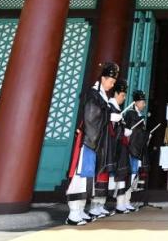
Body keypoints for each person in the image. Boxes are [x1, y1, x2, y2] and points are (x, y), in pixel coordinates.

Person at [65, 62, 119, 225]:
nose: (112, 85)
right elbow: (91, 116)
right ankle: (73, 213)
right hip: (88, 140)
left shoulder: (102, 96)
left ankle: (81, 210)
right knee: (81, 175)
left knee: (89, 176)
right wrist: (108, 116)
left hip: (96, 141)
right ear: (103, 78)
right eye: (111, 81)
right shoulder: (92, 94)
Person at [105, 78, 132, 214]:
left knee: (121, 174)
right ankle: (99, 205)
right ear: (115, 93)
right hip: (111, 147)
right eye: (122, 95)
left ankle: (120, 204)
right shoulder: (109, 107)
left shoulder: (116, 108)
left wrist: (124, 130)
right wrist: (112, 120)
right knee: (108, 175)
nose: (123, 98)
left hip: (120, 147)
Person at [123, 89, 149, 212]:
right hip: (131, 147)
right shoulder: (130, 114)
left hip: (137, 148)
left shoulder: (138, 115)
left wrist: (146, 135)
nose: (144, 104)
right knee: (129, 173)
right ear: (136, 102)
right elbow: (129, 131)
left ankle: (127, 201)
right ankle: (123, 201)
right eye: (142, 102)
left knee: (134, 173)